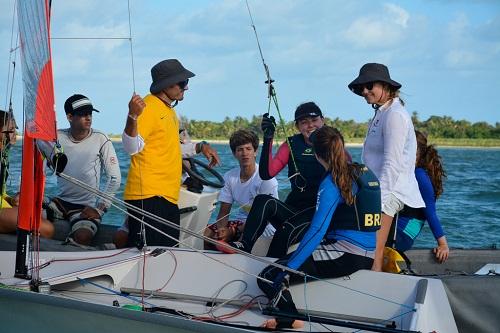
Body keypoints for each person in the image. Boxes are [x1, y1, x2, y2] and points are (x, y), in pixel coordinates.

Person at [256, 126, 380, 329]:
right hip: (367, 254)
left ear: (317, 154)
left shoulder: (332, 182)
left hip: (343, 256)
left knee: (268, 276)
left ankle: (290, 319)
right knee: (296, 252)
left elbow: (317, 230)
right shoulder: (363, 172)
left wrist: (288, 269)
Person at [222, 102, 328, 256]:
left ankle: (272, 272)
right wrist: (268, 137)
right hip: (294, 210)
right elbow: (267, 173)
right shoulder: (291, 144)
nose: (310, 126)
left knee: (284, 232)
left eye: (314, 120)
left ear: (322, 121)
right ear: (297, 126)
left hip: (317, 214)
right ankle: (244, 245)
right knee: (263, 200)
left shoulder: (332, 144)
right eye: (304, 122)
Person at [348, 63, 425, 271]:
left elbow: (392, 163)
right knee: (368, 246)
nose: (364, 91)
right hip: (377, 189)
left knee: (374, 249)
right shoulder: (382, 112)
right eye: (360, 88)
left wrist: (377, 202)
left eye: (369, 85)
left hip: (389, 192)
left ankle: (374, 291)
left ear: (385, 85)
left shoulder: (395, 116)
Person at [122, 59, 198, 247]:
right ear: (167, 84)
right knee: (150, 256)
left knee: (169, 254)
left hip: (166, 197)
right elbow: (132, 147)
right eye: (183, 83)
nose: (186, 88)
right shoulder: (148, 107)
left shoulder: (169, 111)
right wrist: (132, 115)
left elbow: (169, 147)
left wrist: (200, 147)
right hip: (149, 197)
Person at [44, 94, 121, 245]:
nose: (88, 118)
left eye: (90, 114)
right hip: (58, 203)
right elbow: (39, 153)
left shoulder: (101, 139)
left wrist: (99, 210)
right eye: (83, 114)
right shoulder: (56, 138)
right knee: (26, 216)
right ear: (70, 117)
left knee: (83, 236)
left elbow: (115, 178)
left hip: (86, 207)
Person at [203, 129, 278, 249]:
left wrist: (232, 231)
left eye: (248, 149)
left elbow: (267, 218)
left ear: (255, 152)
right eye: (240, 150)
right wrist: (222, 230)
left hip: (263, 227)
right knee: (205, 234)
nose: (245, 153)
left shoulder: (266, 179)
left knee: (231, 241)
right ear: (234, 154)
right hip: (239, 223)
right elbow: (224, 212)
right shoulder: (229, 176)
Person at [392, 130, 449, 262]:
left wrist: (443, 244)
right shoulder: (407, 172)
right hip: (395, 230)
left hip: (402, 235)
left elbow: (430, 212)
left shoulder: (419, 175)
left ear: (417, 153)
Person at [0, 110, 54, 238]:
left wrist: (11, 200)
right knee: (47, 228)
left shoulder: (4, 155)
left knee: (41, 213)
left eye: (15, 129)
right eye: (11, 129)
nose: (15, 134)